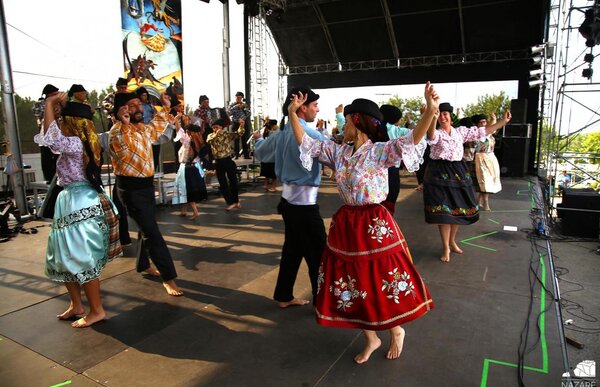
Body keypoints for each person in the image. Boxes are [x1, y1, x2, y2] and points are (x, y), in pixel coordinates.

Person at [286, 82, 437, 364]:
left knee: (378, 279)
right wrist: (293, 114)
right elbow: (305, 143)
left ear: (356, 122)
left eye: (346, 122)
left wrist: (430, 111)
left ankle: (396, 329)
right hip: (347, 223)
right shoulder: (339, 152)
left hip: (373, 223)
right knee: (351, 283)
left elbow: (412, 140)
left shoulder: (379, 151)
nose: (343, 127)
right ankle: (371, 337)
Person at [34, 91, 122, 328]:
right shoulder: (76, 142)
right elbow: (48, 138)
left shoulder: (75, 143)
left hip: (79, 201)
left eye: (62, 120)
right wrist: (50, 110)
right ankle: (77, 305)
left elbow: (52, 140)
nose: (59, 124)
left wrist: (50, 103)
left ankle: (97, 310)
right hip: (71, 201)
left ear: (71, 123)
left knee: (81, 258)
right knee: (64, 257)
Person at [254, 87, 329, 308]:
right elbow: (335, 157)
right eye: (314, 105)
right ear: (302, 107)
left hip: (288, 204)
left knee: (293, 251)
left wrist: (259, 139)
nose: (317, 109)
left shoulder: (279, 135)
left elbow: (260, 152)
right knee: (318, 256)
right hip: (305, 207)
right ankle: (322, 303)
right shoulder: (312, 136)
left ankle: (284, 295)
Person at [109, 91, 183, 296]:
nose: (138, 108)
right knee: (152, 233)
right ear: (121, 110)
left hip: (146, 187)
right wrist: (123, 124)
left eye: (138, 104)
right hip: (131, 190)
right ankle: (169, 278)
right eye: (131, 106)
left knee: (145, 229)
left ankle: (143, 265)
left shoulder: (141, 129)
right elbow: (123, 148)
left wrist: (166, 107)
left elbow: (156, 126)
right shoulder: (117, 132)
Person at [424, 102, 511, 262]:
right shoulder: (436, 132)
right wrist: (431, 118)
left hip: (457, 172)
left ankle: (452, 242)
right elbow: (430, 137)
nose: (442, 116)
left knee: (457, 209)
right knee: (444, 213)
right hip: (439, 173)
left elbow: (483, 131)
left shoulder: (460, 132)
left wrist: (502, 122)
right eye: (440, 114)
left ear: (451, 117)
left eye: (445, 114)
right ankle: (445, 247)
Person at [206, 118, 244, 210]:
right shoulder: (211, 135)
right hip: (218, 162)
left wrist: (241, 125)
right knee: (223, 183)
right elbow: (209, 141)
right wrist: (216, 134)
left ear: (222, 127)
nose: (215, 129)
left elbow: (238, 134)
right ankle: (230, 202)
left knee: (233, 181)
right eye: (214, 128)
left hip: (228, 160)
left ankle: (236, 201)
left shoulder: (226, 134)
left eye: (217, 127)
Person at [172, 121, 208, 219]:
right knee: (184, 189)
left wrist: (176, 121)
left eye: (187, 131)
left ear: (189, 132)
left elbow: (179, 131)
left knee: (187, 190)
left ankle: (195, 211)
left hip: (187, 168)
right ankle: (183, 210)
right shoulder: (199, 142)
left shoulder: (188, 140)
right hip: (194, 167)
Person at [473, 113, 502, 210]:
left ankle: (478, 202)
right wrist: (493, 120)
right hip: (481, 158)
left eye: (484, 122)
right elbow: (489, 128)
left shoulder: (489, 133)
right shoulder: (478, 133)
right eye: (481, 122)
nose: (484, 124)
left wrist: (493, 119)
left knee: (488, 181)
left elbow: (491, 128)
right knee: (485, 182)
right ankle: (485, 203)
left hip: (490, 158)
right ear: (477, 124)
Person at [32, 84, 60, 184]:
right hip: (46, 135)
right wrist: (50, 105)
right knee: (47, 160)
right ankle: (49, 179)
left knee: (59, 158)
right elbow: (38, 113)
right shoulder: (40, 103)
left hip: (59, 136)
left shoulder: (59, 103)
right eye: (54, 94)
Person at [136, 87, 159, 171]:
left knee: (155, 151)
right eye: (143, 95)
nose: (145, 97)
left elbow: (156, 115)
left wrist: (155, 113)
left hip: (152, 130)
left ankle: (154, 169)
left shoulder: (150, 105)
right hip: (141, 131)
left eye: (146, 95)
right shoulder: (137, 106)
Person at [228, 91, 252, 159]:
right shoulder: (232, 105)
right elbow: (229, 112)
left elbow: (248, 113)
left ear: (242, 98)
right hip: (235, 123)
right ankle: (236, 155)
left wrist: (242, 118)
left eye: (239, 98)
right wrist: (237, 106)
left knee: (244, 139)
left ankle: (246, 155)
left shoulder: (244, 105)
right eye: (237, 97)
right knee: (236, 139)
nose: (238, 99)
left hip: (243, 123)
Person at [259, 119, 279, 192]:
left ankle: (266, 185)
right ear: (274, 125)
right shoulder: (276, 133)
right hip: (274, 155)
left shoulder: (266, 132)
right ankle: (273, 187)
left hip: (266, 155)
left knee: (267, 172)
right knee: (275, 172)